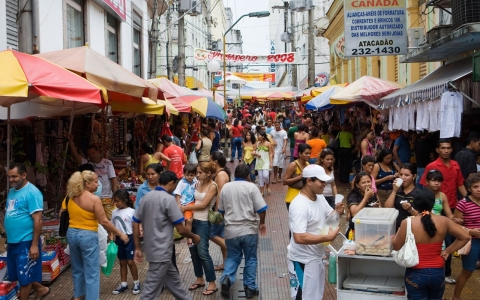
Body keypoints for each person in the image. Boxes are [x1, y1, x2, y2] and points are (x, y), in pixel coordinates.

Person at [133, 171, 200, 300]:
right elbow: (181, 229)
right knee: (150, 292)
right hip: (161, 251)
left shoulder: (147, 197)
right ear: (171, 183)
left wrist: (137, 247)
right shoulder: (169, 199)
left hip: (154, 249)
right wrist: (194, 236)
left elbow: (135, 222)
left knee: (175, 285)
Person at [392, 189, 469, 300]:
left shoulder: (408, 222)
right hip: (438, 273)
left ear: (414, 203)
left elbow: (396, 246)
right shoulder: (444, 221)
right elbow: (465, 237)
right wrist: (447, 251)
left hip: (415, 273)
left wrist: (397, 234)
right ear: (433, 203)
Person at [64, 170, 128, 300]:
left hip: (71, 234)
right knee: (92, 273)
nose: (98, 184)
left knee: (77, 269)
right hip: (87, 235)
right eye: (95, 181)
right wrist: (120, 233)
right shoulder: (94, 199)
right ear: (87, 184)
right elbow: (104, 221)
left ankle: (78, 297)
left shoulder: (70, 196)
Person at [287, 164, 345, 300]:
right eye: (321, 181)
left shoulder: (319, 197)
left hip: (316, 257)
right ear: (309, 181)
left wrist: (338, 213)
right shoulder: (299, 205)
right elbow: (299, 237)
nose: (324, 184)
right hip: (302, 261)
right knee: (303, 297)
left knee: (315, 296)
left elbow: (330, 216)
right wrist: (327, 237)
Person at [419, 139, 467, 283]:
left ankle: (446, 272)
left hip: (451, 208)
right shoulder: (431, 166)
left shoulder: (455, 165)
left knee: (448, 241)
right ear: (437, 150)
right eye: (443, 148)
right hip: (433, 208)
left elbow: (460, 185)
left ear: (452, 150)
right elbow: (423, 186)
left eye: (448, 148)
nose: (446, 150)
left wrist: (469, 202)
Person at [219, 164, 267, 299]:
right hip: (249, 230)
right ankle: (250, 288)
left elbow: (221, 211)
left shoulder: (226, 187)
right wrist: (262, 223)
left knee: (233, 257)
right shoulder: (252, 187)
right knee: (251, 259)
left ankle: (226, 280)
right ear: (248, 175)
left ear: (235, 174)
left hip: (231, 231)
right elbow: (262, 209)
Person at [4, 163, 50, 300]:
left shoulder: (32, 192)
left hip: (26, 240)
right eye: (9, 177)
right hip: (13, 241)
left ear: (24, 175)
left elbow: (38, 220)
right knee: (18, 274)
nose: (11, 179)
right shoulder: (12, 191)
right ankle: (41, 289)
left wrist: (34, 245)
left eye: (14, 176)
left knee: (25, 278)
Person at [181, 162, 218, 295]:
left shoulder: (213, 186)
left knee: (203, 252)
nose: (197, 175)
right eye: (197, 172)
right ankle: (199, 279)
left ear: (208, 173)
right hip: (192, 221)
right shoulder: (197, 183)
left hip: (203, 222)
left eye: (200, 172)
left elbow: (203, 205)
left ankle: (212, 283)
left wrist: (185, 208)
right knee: (193, 252)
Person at [69, 138, 117, 218]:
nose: (92, 155)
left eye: (93, 153)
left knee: (112, 217)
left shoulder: (107, 163)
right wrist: (71, 142)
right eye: (89, 154)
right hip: (93, 197)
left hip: (107, 197)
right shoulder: (88, 163)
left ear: (98, 152)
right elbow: (76, 156)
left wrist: (115, 194)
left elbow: (113, 179)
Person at [452, 173, 480, 299]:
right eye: (475, 187)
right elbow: (455, 227)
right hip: (471, 242)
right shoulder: (463, 204)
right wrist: (470, 231)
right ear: (469, 189)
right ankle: (456, 296)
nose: (479, 189)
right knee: (467, 272)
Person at [110, 189, 140, 295]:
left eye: (117, 201)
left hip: (130, 238)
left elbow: (136, 226)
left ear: (125, 200)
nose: (116, 203)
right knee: (122, 262)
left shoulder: (132, 212)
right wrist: (112, 235)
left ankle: (136, 283)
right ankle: (123, 284)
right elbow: (112, 225)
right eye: (115, 201)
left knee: (131, 262)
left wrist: (137, 240)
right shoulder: (114, 212)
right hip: (119, 240)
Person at [210, 152, 231, 272]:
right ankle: (226, 262)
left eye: (210, 160)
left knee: (211, 234)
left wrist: (218, 212)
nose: (209, 163)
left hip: (222, 210)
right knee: (222, 235)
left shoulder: (221, 174)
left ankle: (231, 251)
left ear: (215, 162)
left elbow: (220, 194)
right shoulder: (220, 173)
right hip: (224, 210)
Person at [384, 163, 421, 230]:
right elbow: (387, 208)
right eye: (401, 174)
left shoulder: (418, 193)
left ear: (414, 176)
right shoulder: (397, 191)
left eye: (406, 175)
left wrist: (410, 209)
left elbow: (421, 216)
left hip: (412, 229)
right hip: (397, 229)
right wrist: (394, 191)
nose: (403, 177)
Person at [173, 164, 197, 246]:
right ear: (184, 174)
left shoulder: (195, 181)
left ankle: (190, 234)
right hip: (184, 204)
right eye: (187, 175)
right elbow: (177, 194)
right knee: (189, 220)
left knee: (190, 220)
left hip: (193, 203)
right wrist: (179, 204)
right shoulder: (181, 182)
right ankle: (189, 237)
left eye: (191, 175)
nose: (189, 177)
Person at [283, 144, 311, 210]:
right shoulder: (293, 165)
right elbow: (285, 181)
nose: (309, 155)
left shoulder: (308, 164)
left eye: (309, 153)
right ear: (300, 154)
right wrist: (299, 177)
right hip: (293, 199)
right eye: (306, 153)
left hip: (304, 199)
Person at [254, 131, 274, 197]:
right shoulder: (257, 144)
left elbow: (271, 153)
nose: (258, 137)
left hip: (266, 161)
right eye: (257, 135)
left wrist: (271, 162)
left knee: (265, 175)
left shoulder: (268, 144)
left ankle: (267, 185)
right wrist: (256, 153)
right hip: (259, 162)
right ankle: (262, 191)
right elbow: (253, 151)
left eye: (259, 135)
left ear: (263, 137)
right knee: (260, 177)